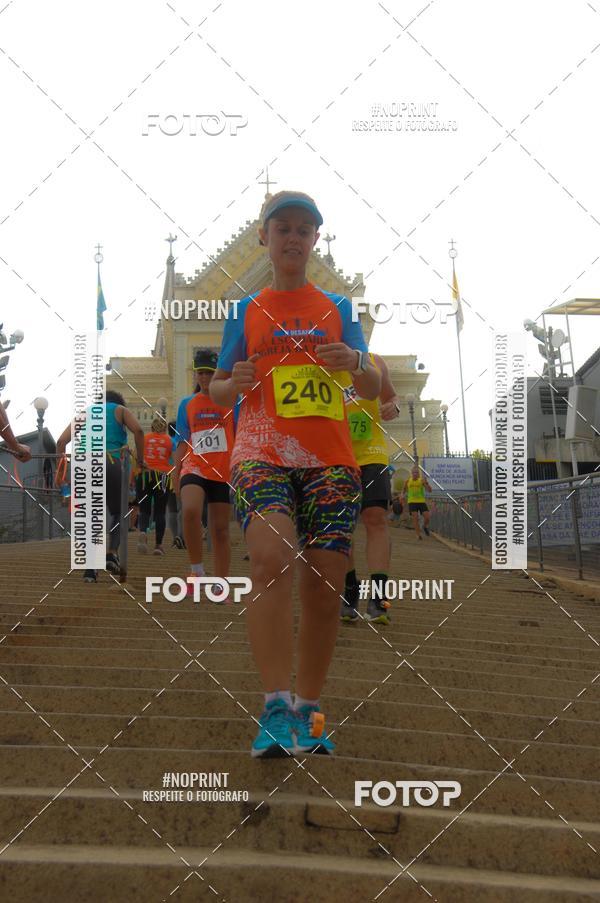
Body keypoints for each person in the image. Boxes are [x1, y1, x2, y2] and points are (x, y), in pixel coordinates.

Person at [210, 190, 380, 758]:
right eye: (282, 227)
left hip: (329, 456)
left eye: (304, 230)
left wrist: (357, 363)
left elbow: (375, 387)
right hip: (261, 448)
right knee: (269, 556)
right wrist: (229, 387)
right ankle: (275, 707)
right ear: (264, 235)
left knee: (327, 581)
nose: (293, 238)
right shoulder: (244, 310)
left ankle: (309, 712)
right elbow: (214, 385)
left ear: (314, 240)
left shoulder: (340, 307)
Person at [56, 390, 145, 581]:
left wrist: (61, 471)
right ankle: (111, 552)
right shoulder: (120, 410)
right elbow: (138, 430)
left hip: (83, 465)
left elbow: (61, 441)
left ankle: (90, 569)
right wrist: (140, 462)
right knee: (119, 511)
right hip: (109, 461)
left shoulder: (86, 412)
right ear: (118, 402)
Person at [339, 354, 399, 625]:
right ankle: (349, 588)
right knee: (341, 528)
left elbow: (391, 398)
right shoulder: (322, 362)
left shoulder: (376, 362)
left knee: (375, 518)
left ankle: (379, 600)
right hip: (336, 456)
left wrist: (393, 408)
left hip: (372, 454)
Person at [173, 349, 235, 601]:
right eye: (201, 372)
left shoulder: (232, 401)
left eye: (209, 372)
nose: (205, 377)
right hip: (194, 466)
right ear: (196, 375)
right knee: (189, 511)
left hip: (222, 470)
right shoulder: (187, 404)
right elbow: (181, 440)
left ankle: (221, 584)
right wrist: (176, 475)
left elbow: (241, 432)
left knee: (220, 530)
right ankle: (196, 573)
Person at [137, 417, 172, 556]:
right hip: (162, 476)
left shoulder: (144, 439)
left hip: (145, 475)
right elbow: (175, 460)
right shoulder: (170, 440)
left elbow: (137, 458)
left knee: (144, 509)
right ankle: (158, 545)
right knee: (160, 511)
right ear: (164, 429)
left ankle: (143, 533)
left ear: (152, 428)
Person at [166, 421, 185, 549]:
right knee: (182, 508)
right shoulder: (182, 442)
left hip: (167, 477)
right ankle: (181, 536)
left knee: (172, 509)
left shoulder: (166, 441)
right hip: (181, 476)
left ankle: (174, 538)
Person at [401, 465, 432, 540]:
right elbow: (404, 490)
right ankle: (418, 535)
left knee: (427, 517)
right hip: (412, 502)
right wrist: (402, 495)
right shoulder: (408, 481)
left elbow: (429, 490)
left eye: (417, 472)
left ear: (419, 474)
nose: (415, 474)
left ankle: (424, 526)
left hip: (421, 501)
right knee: (415, 517)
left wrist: (426, 483)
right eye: (414, 472)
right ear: (411, 473)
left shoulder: (421, 481)